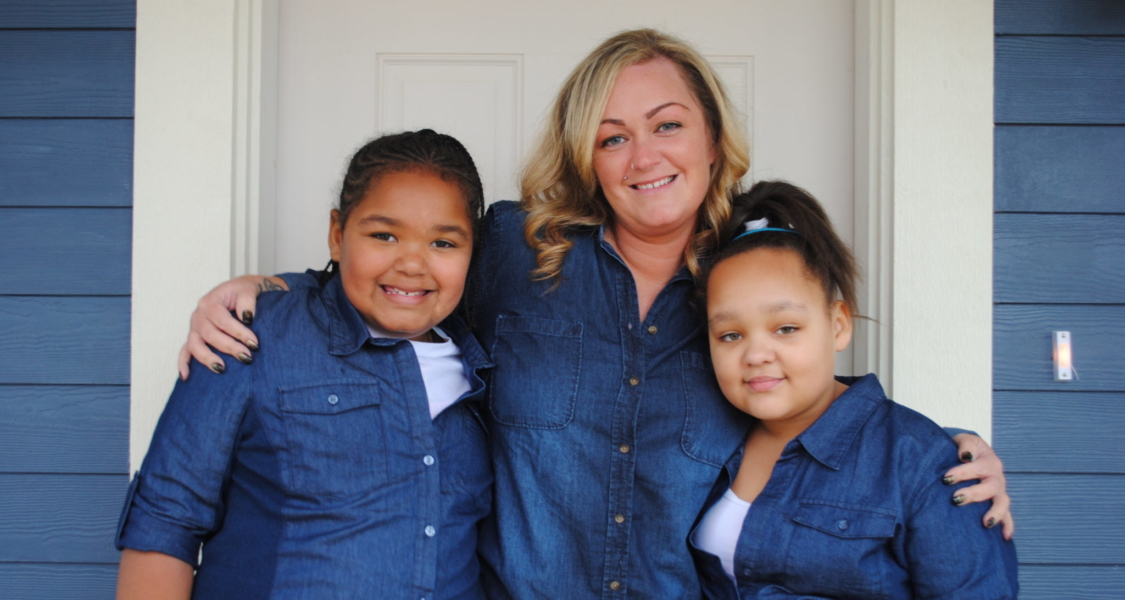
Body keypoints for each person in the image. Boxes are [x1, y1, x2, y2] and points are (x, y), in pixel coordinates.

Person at [176, 30, 1012, 599]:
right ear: (587, 157)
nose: (643, 156)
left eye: (666, 125)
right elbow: (405, 273)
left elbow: (807, 406)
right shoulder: (515, 252)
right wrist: (263, 290)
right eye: (612, 137)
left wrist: (940, 461)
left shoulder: (744, 289)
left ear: (712, 140)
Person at [116, 130, 494, 599]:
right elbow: (165, 521)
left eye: (443, 243)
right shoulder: (250, 336)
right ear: (337, 235)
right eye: (384, 235)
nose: (413, 264)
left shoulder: (485, 367)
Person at [691, 180, 1017, 599]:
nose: (756, 355)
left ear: (839, 325)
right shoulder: (703, 442)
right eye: (730, 335)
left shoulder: (925, 463)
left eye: (786, 328)